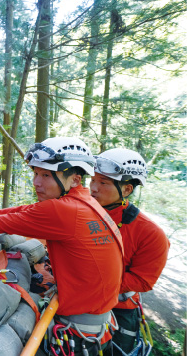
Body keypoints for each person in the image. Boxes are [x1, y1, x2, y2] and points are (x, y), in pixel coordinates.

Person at [0, 137, 124, 355]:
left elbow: (15, 219)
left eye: (46, 175)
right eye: (36, 173)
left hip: (75, 329)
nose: (36, 182)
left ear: (75, 180)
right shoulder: (86, 203)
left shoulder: (66, 210)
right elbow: (26, 210)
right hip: (94, 324)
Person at [90, 148, 169, 354]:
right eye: (93, 180)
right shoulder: (81, 214)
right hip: (74, 299)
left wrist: (91, 285)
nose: (93, 188)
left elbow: (143, 280)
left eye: (103, 183)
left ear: (126, 190)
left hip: (119, 309)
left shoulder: (150, 234)